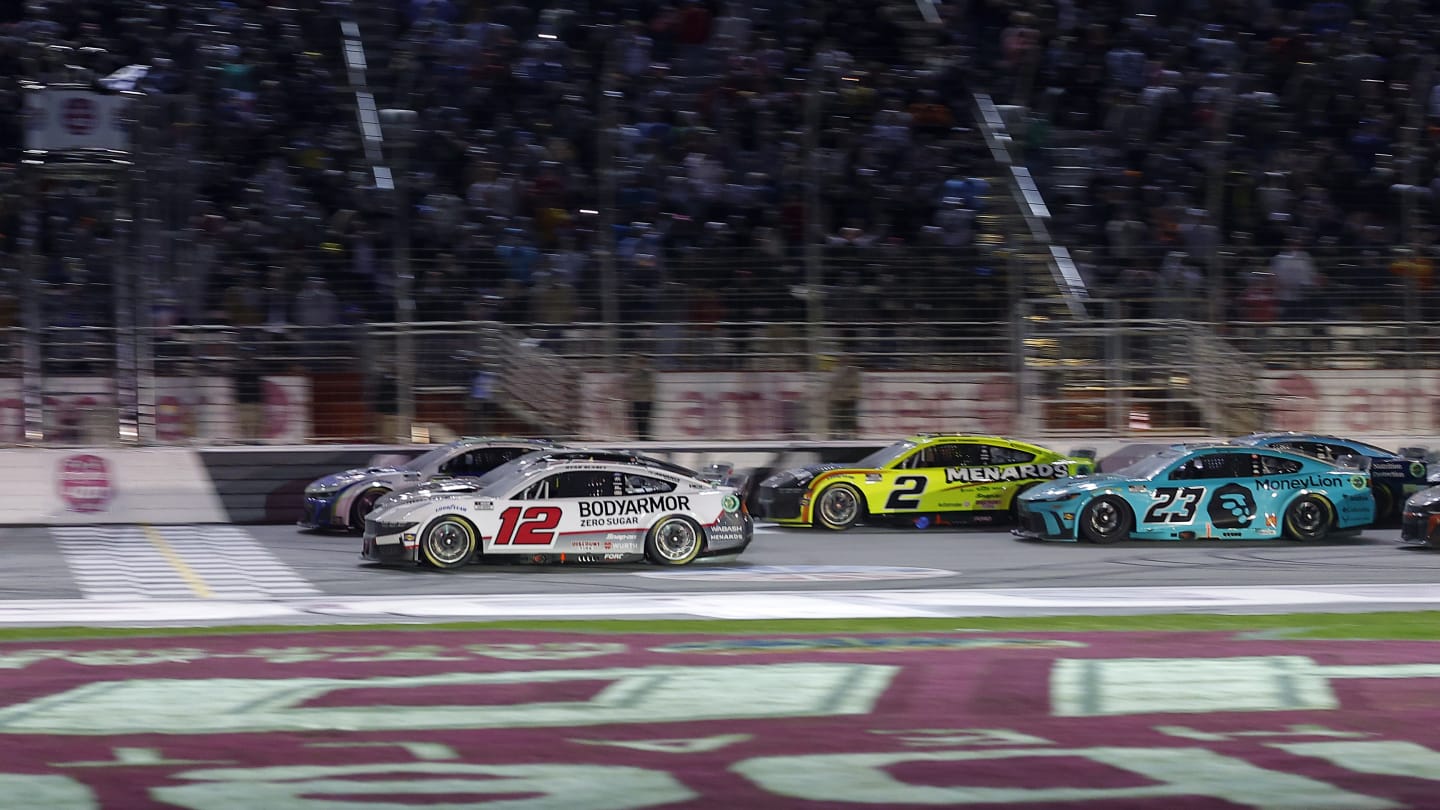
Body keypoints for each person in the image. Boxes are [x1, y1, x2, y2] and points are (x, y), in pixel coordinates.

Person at [828, 354, 862, 438]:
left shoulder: (854, 370)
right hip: (837, 398)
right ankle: (834, 436)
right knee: (837, 418)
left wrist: (844, 388)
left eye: (847, 360)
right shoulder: (835, 370)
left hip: (850, 398)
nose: (844, 361)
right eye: (842, 360)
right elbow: (833, 384)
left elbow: (854, 383)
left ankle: (852, 436)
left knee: (850, 418)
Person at [627, 354, 656, 440]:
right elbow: (632, 385)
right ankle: (641, 437)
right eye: (639, 362)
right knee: (639, 420)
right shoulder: (633, 374)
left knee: (645, 420)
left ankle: (644, 437)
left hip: (646, 400)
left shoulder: (648, 373)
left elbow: (650, 385)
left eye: (642, 362)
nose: (641, 364)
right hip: (638, 400)